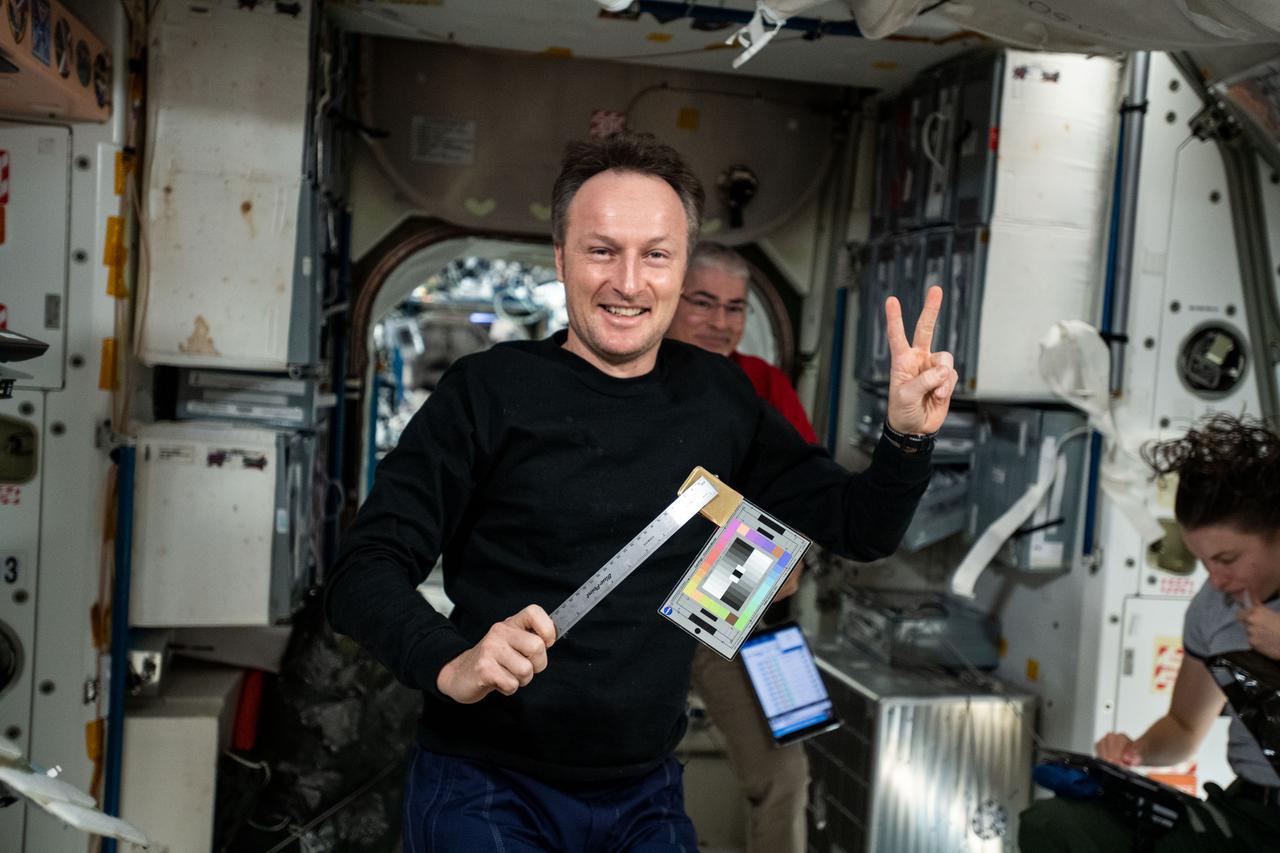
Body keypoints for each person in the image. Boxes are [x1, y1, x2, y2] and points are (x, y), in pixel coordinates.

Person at [324, 130, 958, 853]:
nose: (628, 281)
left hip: (643, 790)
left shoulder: (723, 398)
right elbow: (362, 568)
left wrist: (907, 438)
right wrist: (449, 659)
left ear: (679, 267)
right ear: (562, 258)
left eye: (655, 253)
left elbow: (860, 526)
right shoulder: (488, 391)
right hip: (485, 782)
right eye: (601, 250)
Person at [1018, 414, 1280, 852]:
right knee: (1056, 824)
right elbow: (1182, 726)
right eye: (1204, 562)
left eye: (1228, 559)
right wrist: (1137, 753)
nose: (1215, 579)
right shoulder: (1213, 608)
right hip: (1249, 813)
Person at [665, 241, 816, 853]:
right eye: (703, 303)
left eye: (734, 308)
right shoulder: (631, 373)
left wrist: (784, 557)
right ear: (670, 299)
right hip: (633, 609)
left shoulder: (763, 383)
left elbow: (808, 493)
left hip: (738, 602)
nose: (720, 323)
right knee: (639, 773)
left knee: (786, 775)